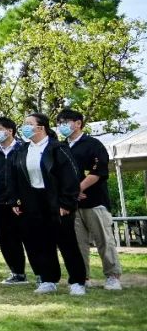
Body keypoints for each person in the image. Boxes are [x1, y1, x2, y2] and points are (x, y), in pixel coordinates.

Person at [7, 113, 86, 295]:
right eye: (24, 123)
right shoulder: (21, 151)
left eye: (29, 123)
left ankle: (77, 281)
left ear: (41, 127)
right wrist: (14, 200)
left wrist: (66, 202)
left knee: (67, 242)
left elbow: (71, 177)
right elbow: (12, 177)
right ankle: (48, 279)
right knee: (41, 242)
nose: (25, 127)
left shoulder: (57, 148)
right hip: (32, 201)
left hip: (56, 200)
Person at [58, 109, 123, 290]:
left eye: (66, 122)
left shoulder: (93, 144)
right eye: (60, 123)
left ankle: (112, 276)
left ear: (78, 123)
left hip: (95, 202)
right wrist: (69, 195)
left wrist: (77, 189)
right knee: (78, 244)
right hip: (72, 205)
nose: (62, 126)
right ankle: (82, 277)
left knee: (104, 241)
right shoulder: (60, 147)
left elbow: (98, 172)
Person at [0, 117, 28, 285]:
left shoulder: (23, 149)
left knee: (30, 238)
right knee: (6, 239)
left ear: (10, 131)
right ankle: (17, 272)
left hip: (22, 201)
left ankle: (42, 273)